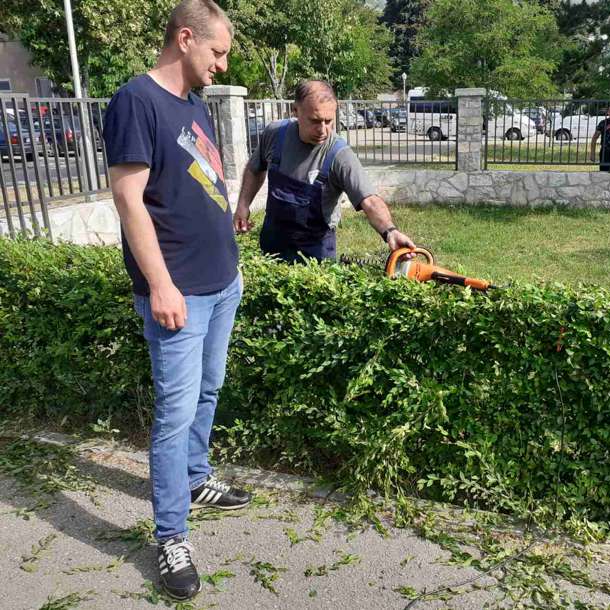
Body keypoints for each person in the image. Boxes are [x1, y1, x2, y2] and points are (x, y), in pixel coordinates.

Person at [103, 0, 251, 601]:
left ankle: (194, 479)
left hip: (221, 284)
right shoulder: (135, 101)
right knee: (173, 415)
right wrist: (161, 285)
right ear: (184, 38)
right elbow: (128, 199)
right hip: (180, 294)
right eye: (216, 53)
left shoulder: (194, 104)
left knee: (208, 391)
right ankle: (170, 536)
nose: (220, 65)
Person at [233, 80, 415, 262]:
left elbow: (369, 200)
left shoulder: (340, 155)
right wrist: (243, 205)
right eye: (315, 121)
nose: (323, 130)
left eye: (329, 121)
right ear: (295, 111)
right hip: (273, 240)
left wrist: (390, 232)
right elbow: (255, 168)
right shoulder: (274, 134)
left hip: (315, 250)